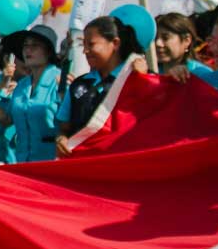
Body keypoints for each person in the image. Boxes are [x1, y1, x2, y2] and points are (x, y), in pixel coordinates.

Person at [55, 16, 149, 152]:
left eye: (91, 44)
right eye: (83, 44)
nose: (85, 51)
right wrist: (61, 139)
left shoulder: (138, 78)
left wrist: (143, 80)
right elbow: (64, 128)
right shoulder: (79, 85)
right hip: (86, 165)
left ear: (115, 43)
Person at [0, 25, 61, 164]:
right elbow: (7, 120)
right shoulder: (22, 85)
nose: (27, 50)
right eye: (25, 46)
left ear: (48, 51)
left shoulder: (60, 82)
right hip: (22, 162)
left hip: (52, 164)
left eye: (35, 46)